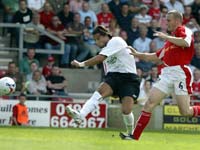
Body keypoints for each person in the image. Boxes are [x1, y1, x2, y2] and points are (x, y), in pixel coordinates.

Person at [122, 10, 200, 140]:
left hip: (181, 73)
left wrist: (167, 37)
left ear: (176, 20)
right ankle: (134, 136)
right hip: (167, 74)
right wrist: (138, 54)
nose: (166, 23)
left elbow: (185, 42)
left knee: (185, 112)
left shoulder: (185, 30)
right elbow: (155, 56)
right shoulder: (169, 42)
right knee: (149, 103)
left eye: (168, 20)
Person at [66, 25, 140, 136]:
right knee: (99, 92)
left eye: (97, 38)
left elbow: (99, 58)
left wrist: (81, 64)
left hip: (129, 78)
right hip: (114, 77)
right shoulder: (105, 50)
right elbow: (108, 71)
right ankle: (81, 115)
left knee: (126, 110)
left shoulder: (116, 41)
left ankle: (130, 133)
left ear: (105, 35)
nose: (96, 42)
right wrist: (113, 90)